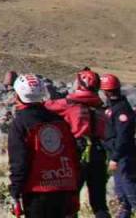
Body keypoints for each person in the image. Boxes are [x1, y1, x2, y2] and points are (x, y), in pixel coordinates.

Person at [8, 73, 79, 218]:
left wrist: (15, 192)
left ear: (18, 96)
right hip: (64, 187)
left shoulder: (20, 124)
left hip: (37, 191)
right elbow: (74, 155)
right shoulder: (60, 121)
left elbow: (19, 162)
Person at [44, 68, 108, 218]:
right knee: (99, 202)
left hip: (76, 155)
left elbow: (46, 106)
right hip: (99, 154)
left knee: (70, 201)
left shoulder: (69, 104)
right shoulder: (101, 107)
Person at [102, 74, 136, 218]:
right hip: (116, 155)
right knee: (121, 195)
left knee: (129, 189)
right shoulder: (114, 107)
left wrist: (115, 158)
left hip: (123, 156)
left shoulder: (121, 110)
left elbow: (123, 137)